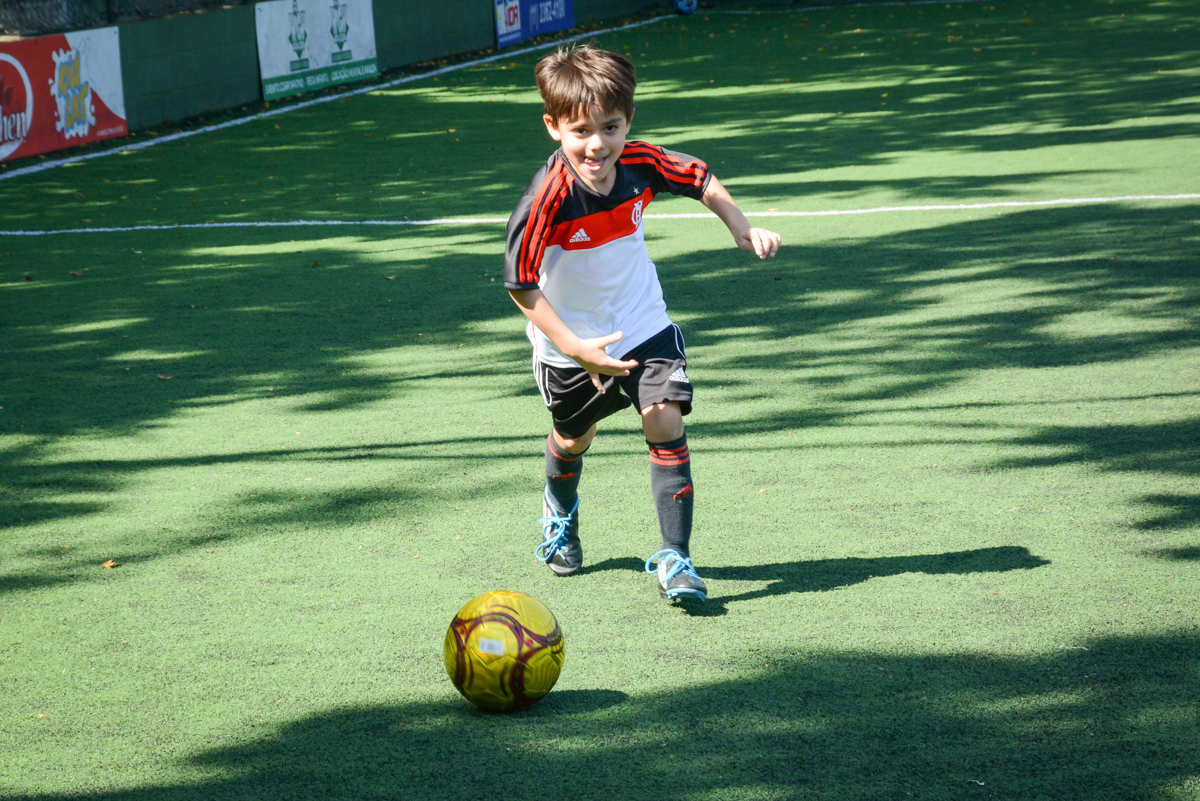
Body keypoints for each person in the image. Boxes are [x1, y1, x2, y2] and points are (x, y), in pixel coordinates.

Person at [503, 43, 781, 605]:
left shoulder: (641, 161)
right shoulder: (546, 199)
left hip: (642, 322)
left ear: (628, 120)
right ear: (553, 127)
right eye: (581, 130)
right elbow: (521, 286)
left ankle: (677, 559)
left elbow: (700, 178)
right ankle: (559, 512)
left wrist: (741, 227)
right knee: (573, 438)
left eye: (611, 126)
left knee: (663, 415)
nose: (597, 144)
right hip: (570, 345)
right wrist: (577, 348)